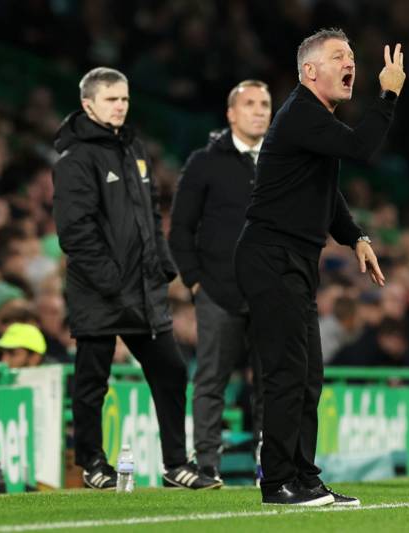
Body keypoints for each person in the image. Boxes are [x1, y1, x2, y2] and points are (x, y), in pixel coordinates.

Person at [234, 28, 405, 506]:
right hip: (270, 256)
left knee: (308, 374)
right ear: (310, 71)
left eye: (352, 56)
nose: (350, 64)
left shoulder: (314, 122)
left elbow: (326, 193)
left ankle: (304, 477)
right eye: (338, 57)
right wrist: (388, 94)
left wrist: (356, 238)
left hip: (293, 259)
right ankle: (277, 483)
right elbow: (361, 149)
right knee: (287, 373)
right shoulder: (300, 114)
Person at [52, 67, 218, 490]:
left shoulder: (134, 150)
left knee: (171, 370)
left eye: (124, 98)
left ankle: (176, 465)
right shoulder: (75, 158)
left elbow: (150, 214)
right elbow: (75, 230)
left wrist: (162, 267)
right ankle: (91, 464)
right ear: (88, 104)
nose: (121, 106)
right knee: (93, 380)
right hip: (100, 292)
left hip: (143, 290)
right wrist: (110, 278)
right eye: (111, 99)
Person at [169, 80, 271, 484]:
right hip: (218, 292)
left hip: (268, 293)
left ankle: (272, 461)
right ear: (231, 114)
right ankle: (208, 463)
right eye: (250, 104)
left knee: (271, 381)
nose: (260, 111)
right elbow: (180, 229)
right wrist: (195, 281)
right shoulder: (204, 162)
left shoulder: (280, 161)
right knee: (211, 379)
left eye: (265, 104)